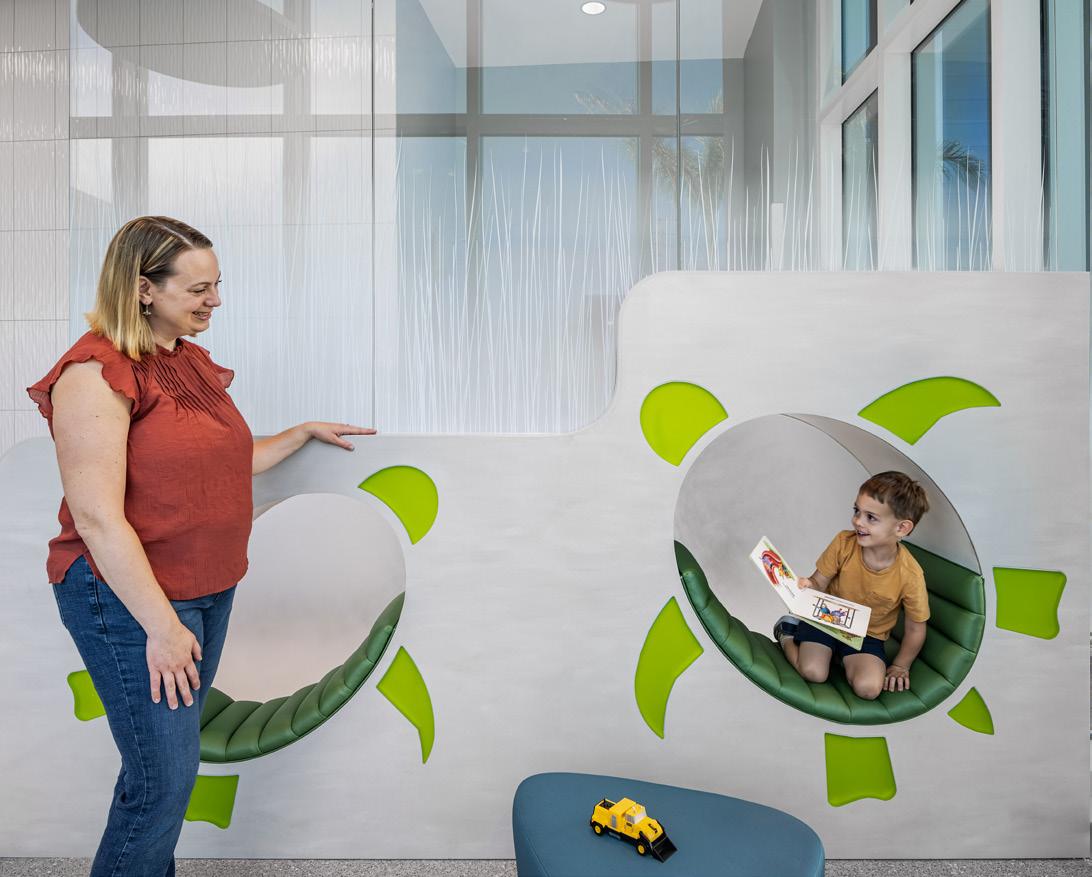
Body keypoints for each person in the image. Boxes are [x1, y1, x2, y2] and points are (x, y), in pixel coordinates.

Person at [27, 216, 375, 876]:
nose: (215, 300)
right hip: (131, 600)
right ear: (143, 288)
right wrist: (161, 627)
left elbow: (221, 461)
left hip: (208, 587)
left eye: (217, 285)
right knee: (163, 780)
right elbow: (97, 519)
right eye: (198, 289)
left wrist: (299, 432)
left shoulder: (184, 360)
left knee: (161, 772)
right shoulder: (94, 375)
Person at [772, 471, 930, 701]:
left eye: (871, 517)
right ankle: (787, 633)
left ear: (901, 528)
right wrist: (808, 585)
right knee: (814, 672)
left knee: (869, 689)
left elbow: (916, 628)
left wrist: (901, 666)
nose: (858, 521)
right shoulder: (844, 543)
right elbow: (819, 582)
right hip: (825, 620)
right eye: (857, 511)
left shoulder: (910, 574)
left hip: (866, 636)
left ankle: (840, 657)